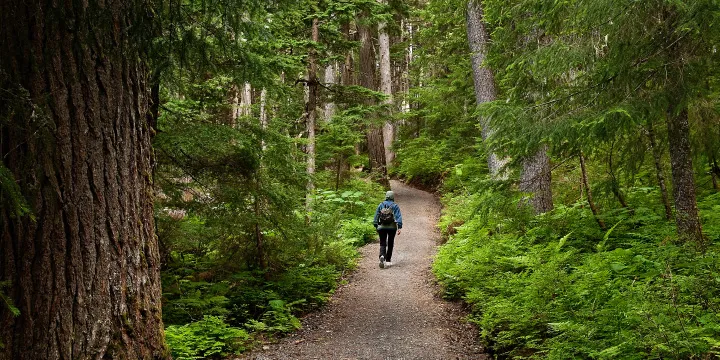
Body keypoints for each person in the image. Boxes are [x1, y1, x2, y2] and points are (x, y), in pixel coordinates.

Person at [373, 190, 403, 268]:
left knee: (382, 243)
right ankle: (388, 260)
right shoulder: (395, 206)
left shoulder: (381, 205)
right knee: (390, 243)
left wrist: (376, 225)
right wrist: (399, 227)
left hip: (381, 227)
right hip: (392, 228)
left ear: (386, 196)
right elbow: (398, 217)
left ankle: (382, 256)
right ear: (393, 197)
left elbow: (376, 216)